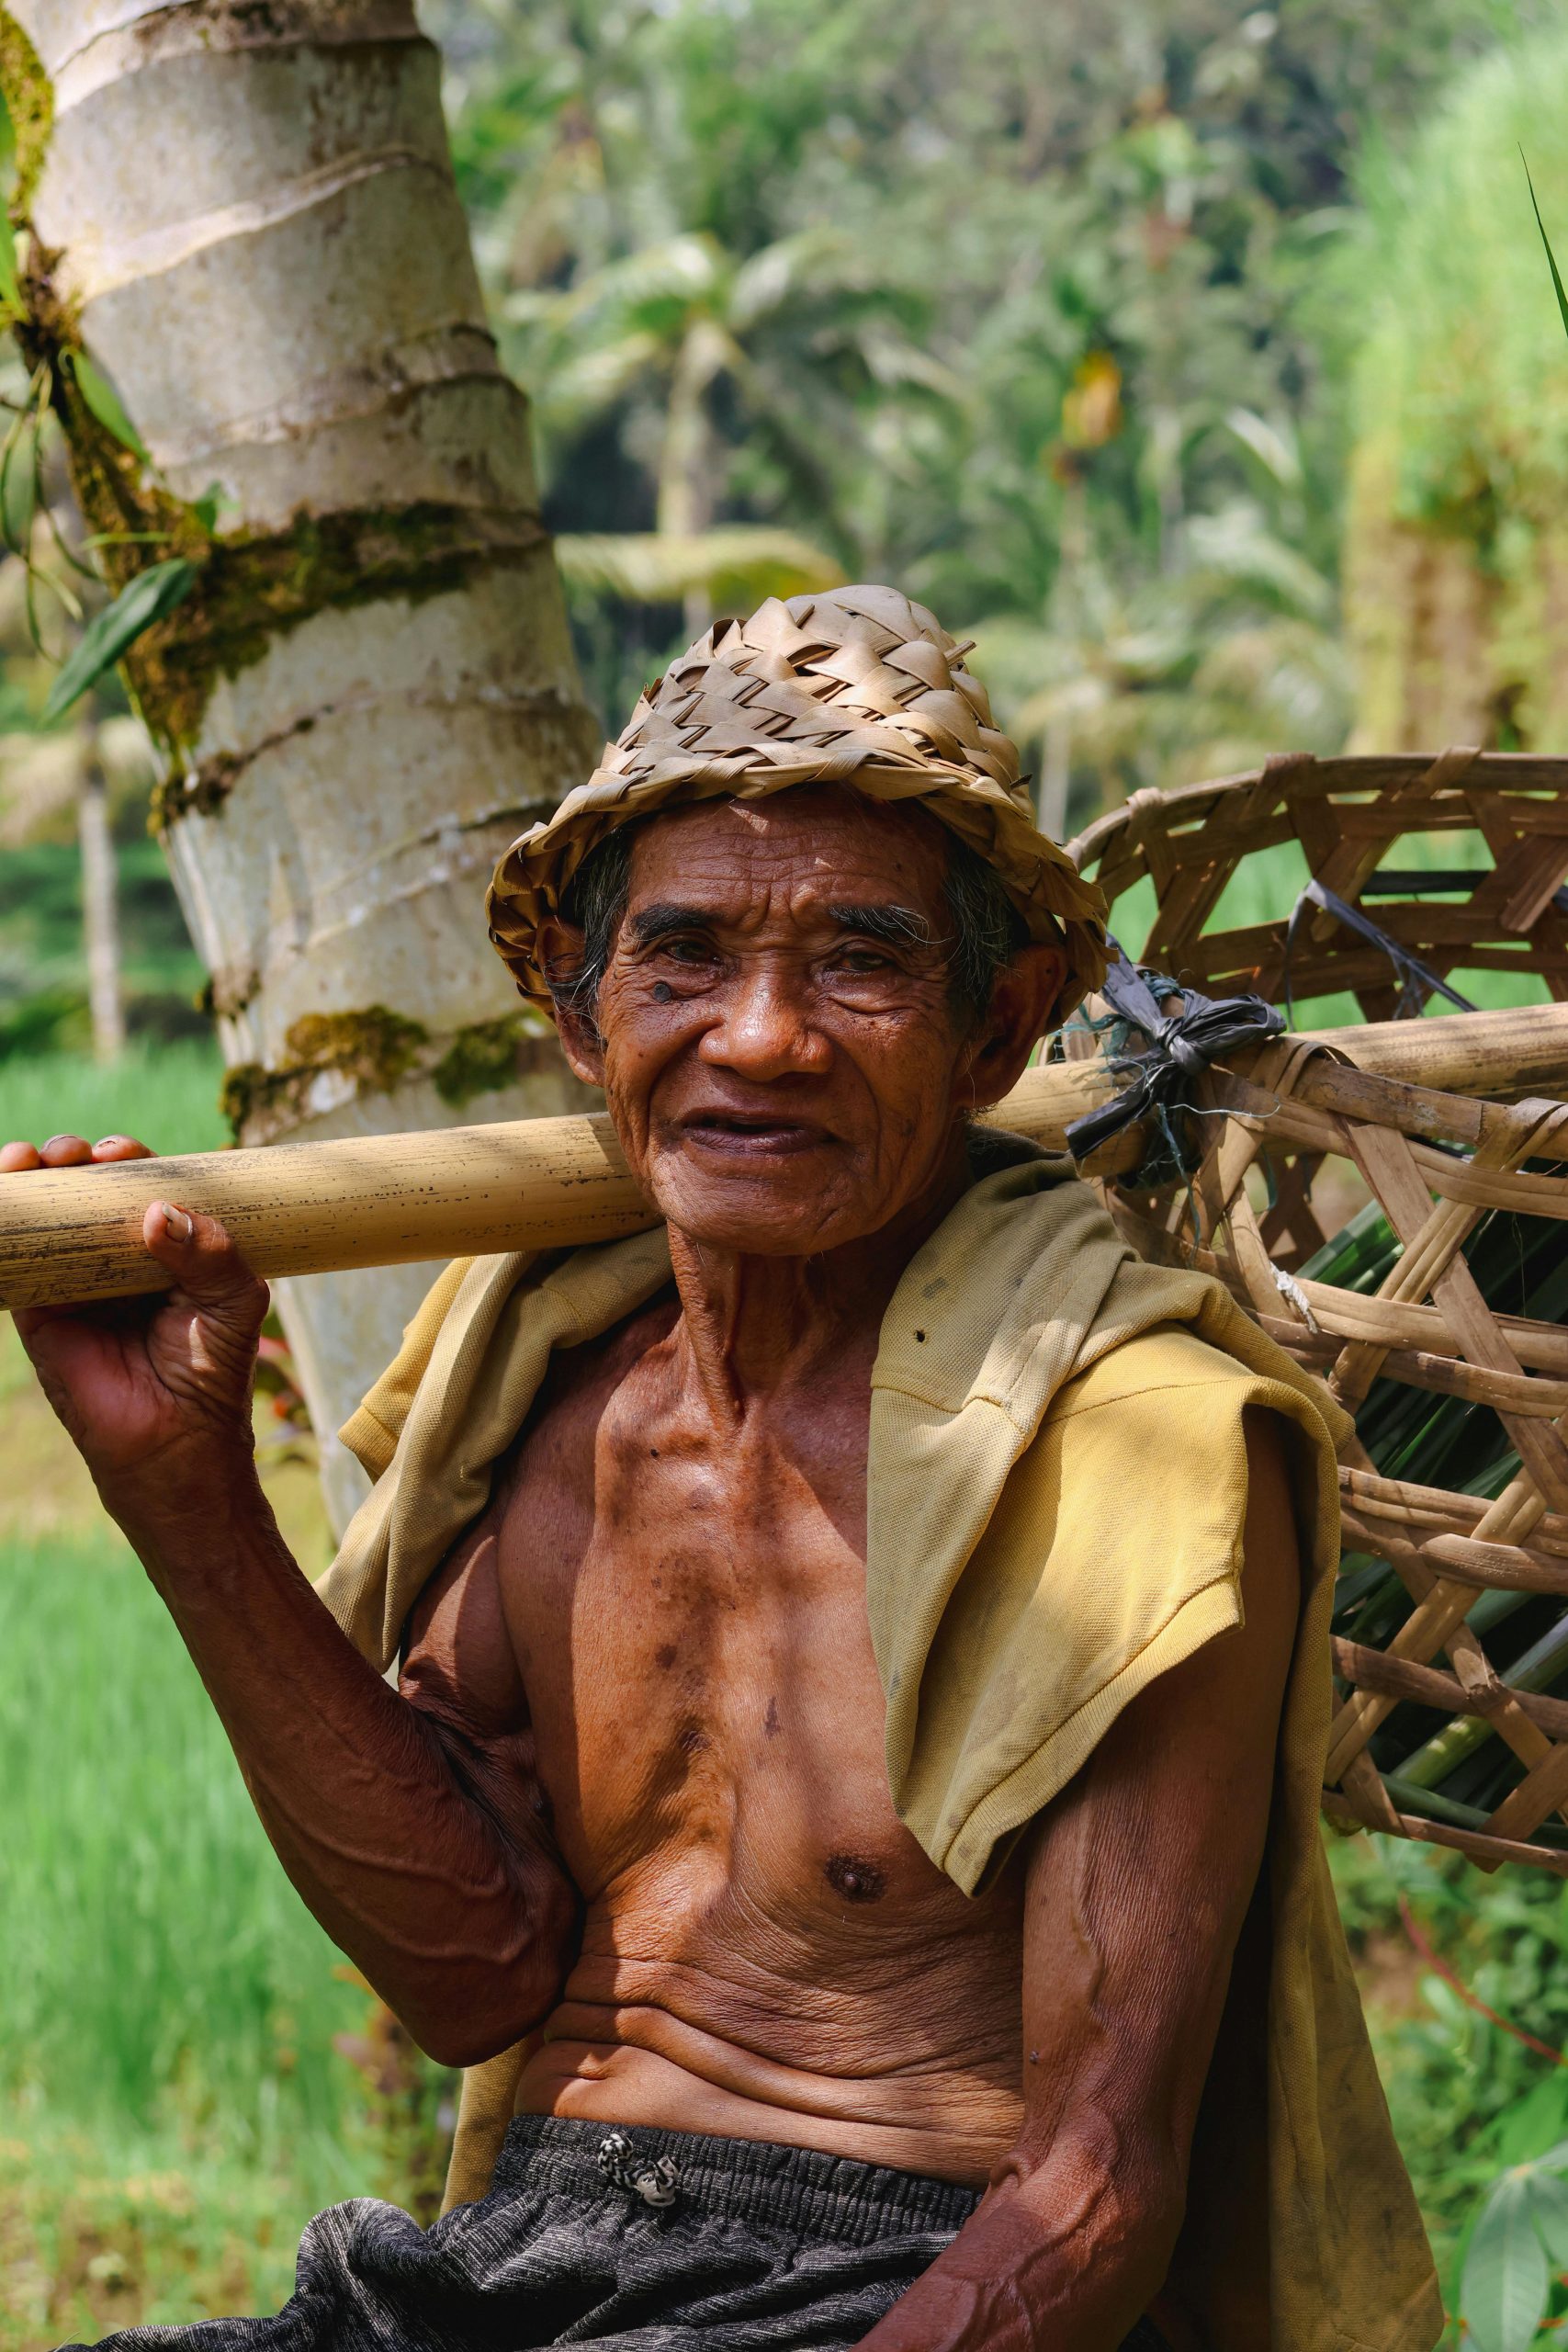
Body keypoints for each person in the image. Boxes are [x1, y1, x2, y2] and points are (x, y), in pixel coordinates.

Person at [6, 587, 1439, 2352]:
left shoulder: (1130, 1453)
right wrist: (187, 1499)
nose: (760, 1037)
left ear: (1000, 1031)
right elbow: (474, 1974)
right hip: (525, 2260)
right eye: (682, 959)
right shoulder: (544, 1392)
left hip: (889, 2277)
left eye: (859, 961)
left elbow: (1093, 2187)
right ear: (582, 1014)